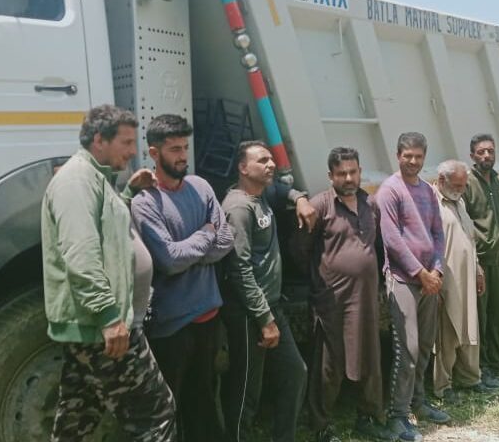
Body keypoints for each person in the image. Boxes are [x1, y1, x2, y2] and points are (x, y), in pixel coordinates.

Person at [43, 105, 176, 441]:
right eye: (127, 142)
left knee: (76, 420)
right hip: (105, 327)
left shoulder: (94, 178)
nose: (134, 151)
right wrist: (108, 316)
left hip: (95, 328)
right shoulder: (76, 181)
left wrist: (128, 193)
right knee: (156, 412)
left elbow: (109, 231)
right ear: (99, 140)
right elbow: (81, 253)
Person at [132, 114, 235, 442]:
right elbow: (169, 261)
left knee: (204, 399)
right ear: (153, 152)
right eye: (174, 149)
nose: (182, 156)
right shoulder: (145, 202)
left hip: (208, 314)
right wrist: (206, 234)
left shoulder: (201, 187)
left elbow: (227, 240)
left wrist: (191, 249)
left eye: (185, 148)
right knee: (169, 406)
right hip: (172, 324)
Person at [294, 147, 397, 442]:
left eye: (353, 171)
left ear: (360, 172)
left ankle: (368, 417)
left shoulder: (370, 204)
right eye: (342, 173)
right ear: (331, 176)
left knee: (370, 358)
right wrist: (322, 281)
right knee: (329, 364)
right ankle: (321, 426)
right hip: (332, 301)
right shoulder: (320, 206)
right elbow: (301, 251)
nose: (349, 178)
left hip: (365, 299)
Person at [219, 140, 312, 442]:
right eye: (262, 161)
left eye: (271, 159)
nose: (271, 164)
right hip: (250, 314)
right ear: (243, 168)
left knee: (295, 372)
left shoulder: (262, 195)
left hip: (272, 308)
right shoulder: (238, 207)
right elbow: (239, 269)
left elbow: (283, 190)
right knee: (246, 389)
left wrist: (299, 197)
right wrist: (263, 318)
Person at [377, 132, 450, 442]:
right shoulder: (390, 190)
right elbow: (391, 239)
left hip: (428, 280)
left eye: (418, 156)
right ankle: (396, 415)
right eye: (408, 155)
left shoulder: (428, 192)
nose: (413, 161)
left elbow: (437, 233)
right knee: (406, 349)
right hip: (404, 279)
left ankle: (418, 402)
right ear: (398, 155)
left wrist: (437, 269)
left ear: (424, 157)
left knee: (424, 347)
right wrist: (421, 273)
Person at [432, 160, 499, 403]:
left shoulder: (459, 201)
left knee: (469, 327)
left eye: (463, 186)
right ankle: (443, 386)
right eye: (456, 185)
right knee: (448, 331)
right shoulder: (433, 203)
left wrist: (477, 269)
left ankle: (470, 378)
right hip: (448, 277)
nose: (461, 190)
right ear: (442, 181)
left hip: (468, 275)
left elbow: (468, 239)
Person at [463, 134, 499, 380]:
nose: (486, 155)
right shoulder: (467, 184)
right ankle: (483, 366)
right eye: (481, 152)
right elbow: (464, 225)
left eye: (490, 151)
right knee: (481, 316)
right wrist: (474, 262)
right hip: (481, 261)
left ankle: (498, 361)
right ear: (472, 156)